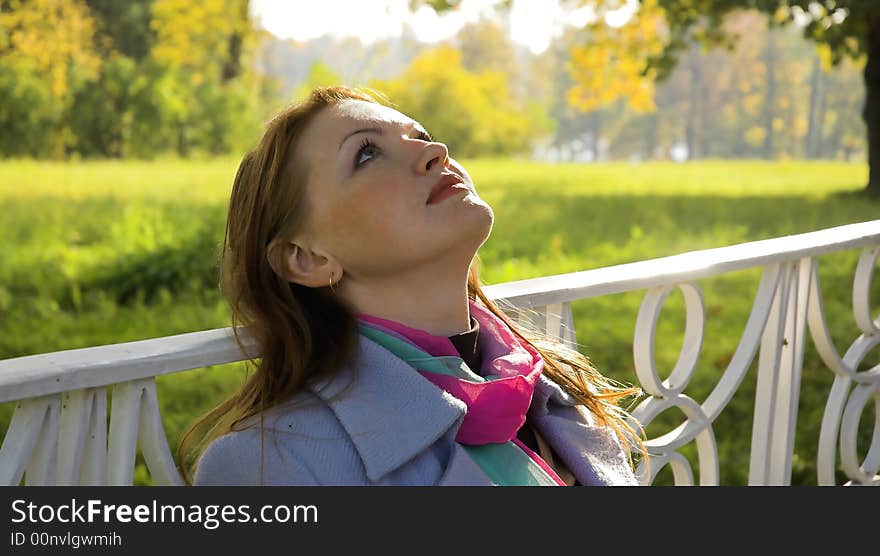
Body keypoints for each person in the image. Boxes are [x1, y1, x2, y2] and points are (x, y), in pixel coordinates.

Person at [180, 86, 646, 486]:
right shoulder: (270, 464)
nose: (434, 151)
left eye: (420, 136)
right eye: (367, 153)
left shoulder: (553, 389)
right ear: (308, 258)